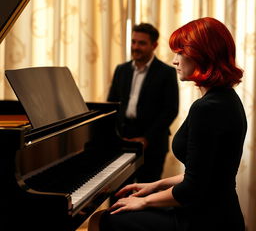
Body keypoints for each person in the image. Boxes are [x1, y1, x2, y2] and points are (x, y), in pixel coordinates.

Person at [88, 17, 247, 231]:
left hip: (203, 220)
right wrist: (156, 185)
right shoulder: (225, 98)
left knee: (102, 219)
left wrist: (143, 201)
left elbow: (192, 188)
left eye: (181, 52)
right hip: (215, 212)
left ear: (203, 56)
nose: (175, 60)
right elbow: (203, 173)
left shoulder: (208, 108)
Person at [107, 23, 179, 183]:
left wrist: (146, 138)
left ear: (154, 45)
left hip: (153, 144)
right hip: (122, 141)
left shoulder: (166, 73)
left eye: (141, 43)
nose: (135, 47)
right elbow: (111, 104)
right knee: (117, 193)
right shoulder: (121, 69)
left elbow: (170, 110)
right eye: (133, 42)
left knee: (146, 195)